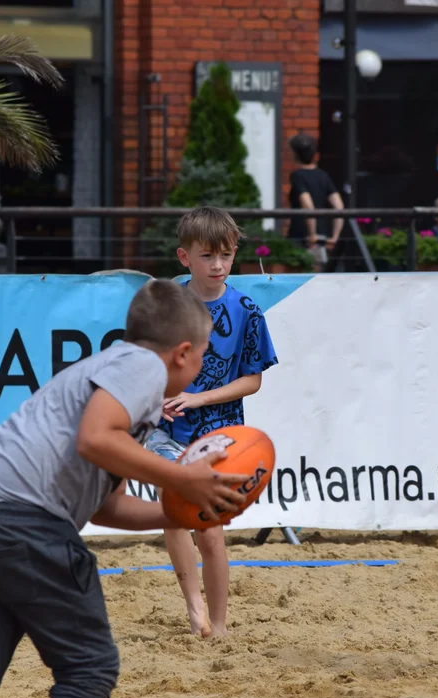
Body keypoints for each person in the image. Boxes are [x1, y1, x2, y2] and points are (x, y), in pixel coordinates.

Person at [0, 279, 253, 698]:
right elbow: (93, 439)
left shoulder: (113, 376)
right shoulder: (144, 368)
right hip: (20, 518)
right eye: (201, 358)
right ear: (182, 353)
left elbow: (105, 505)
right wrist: (183, 478)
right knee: (90, 669)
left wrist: (181, 511)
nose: (199, 368)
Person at [146, 206, 278, 638]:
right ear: (185, 257)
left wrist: (196, 397)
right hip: (167, 429)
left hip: (220, 432)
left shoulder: (246, 310)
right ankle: (195, 609)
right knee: (172, 516)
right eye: (207, 256)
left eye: (225, 255)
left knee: (211, 532)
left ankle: (218, 626)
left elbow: (252, 380)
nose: (217, 265)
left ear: (235, 253)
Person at [287, 133, 344, 270]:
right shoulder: (323, 175)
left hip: (303, 235)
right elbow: (339, 206)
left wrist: (312, 235)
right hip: (323, 233)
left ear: (295, 154)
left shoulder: (297, 176)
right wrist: (335, 236)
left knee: (299, 276)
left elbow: (307, 205)